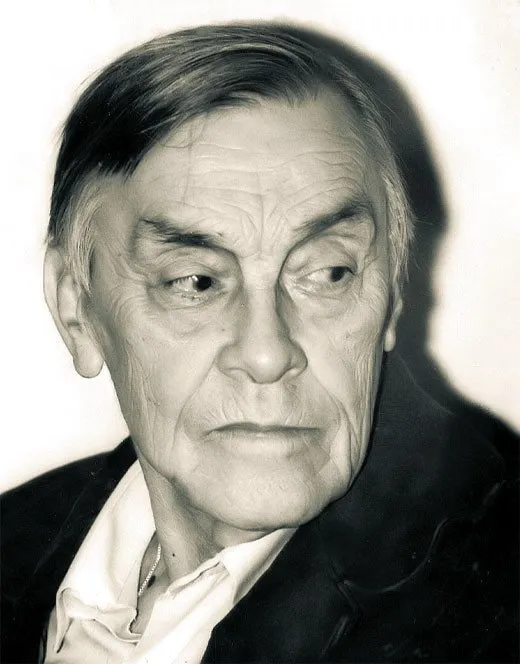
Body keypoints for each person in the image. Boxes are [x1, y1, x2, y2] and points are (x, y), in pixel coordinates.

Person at [1, 23, 517, 664]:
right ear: (77, 310)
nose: (269, 354)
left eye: (329, 273)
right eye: (196, 282)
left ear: (390, 295)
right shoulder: (16, 536)